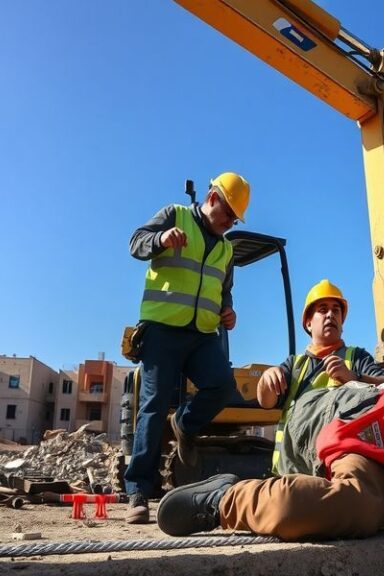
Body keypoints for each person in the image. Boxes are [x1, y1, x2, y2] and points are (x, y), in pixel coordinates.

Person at [156, 285, 384, 541]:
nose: (329, 314)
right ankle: (224, 499)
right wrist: (268, 382)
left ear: (343, 322)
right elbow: (268, 400)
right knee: (336, 510)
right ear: (308, 323)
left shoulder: (356, 356)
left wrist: (352, 376)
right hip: (320, 452)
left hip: (368, 423)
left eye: (335, 310)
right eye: (321, 309)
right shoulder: (294, 364)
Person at [124, 172, 250, 524]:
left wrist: (228, 311)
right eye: (228, 215)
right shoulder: (174, 215)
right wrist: (161, 239)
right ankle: (137, 490)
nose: (229, 223)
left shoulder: (226, 249)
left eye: (234, 219)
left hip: (201, 335)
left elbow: (224, 291)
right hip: (163, 329)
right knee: (153, 405)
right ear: (212, 199)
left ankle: (185, 423)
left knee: (223, 387)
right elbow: (136, 242)